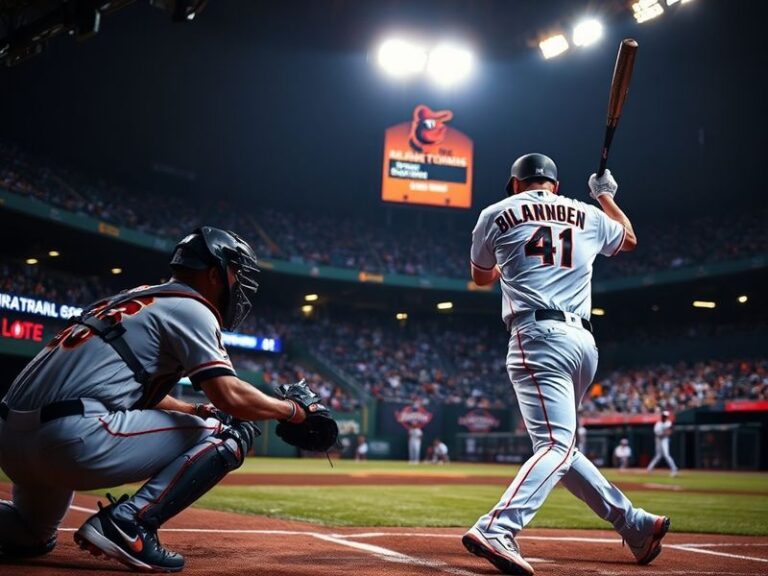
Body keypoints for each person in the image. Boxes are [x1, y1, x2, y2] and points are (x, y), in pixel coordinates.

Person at [0, 227, 325, 573]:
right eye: (236, 273)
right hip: (68, 441)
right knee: (228, 432)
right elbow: (229, 396)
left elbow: (125, 389)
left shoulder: (129, 300)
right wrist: (293, 411)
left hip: (9, 443)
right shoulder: (192, 306)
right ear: (214, 274)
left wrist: (191, 409)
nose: (239, 284)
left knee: (31, 532)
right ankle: (130, 523)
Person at [462, 154, 669, 576]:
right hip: (584, 343)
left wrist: (511, 264)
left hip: (536, 336)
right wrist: (605, 196)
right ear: (554, 186)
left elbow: (481, 277)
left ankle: (497, 527)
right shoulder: (586, 213)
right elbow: (629, 239)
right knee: (563, 447)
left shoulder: (495, 213)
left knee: (553, 445)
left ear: (516, 184)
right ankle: (634, 525)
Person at [647, 410, 679, 476]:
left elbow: (670, 431)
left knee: (666, 454)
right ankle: (649, 468)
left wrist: (666, 432)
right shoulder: (658, 424)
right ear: (662, 416)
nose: (664, 417)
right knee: (658, 455)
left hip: (665, 440)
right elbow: (657, 433)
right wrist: (665, 432)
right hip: (658, 439)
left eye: (665, 416)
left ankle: (674, 469)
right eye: (663, 416)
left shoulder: (668, 423)